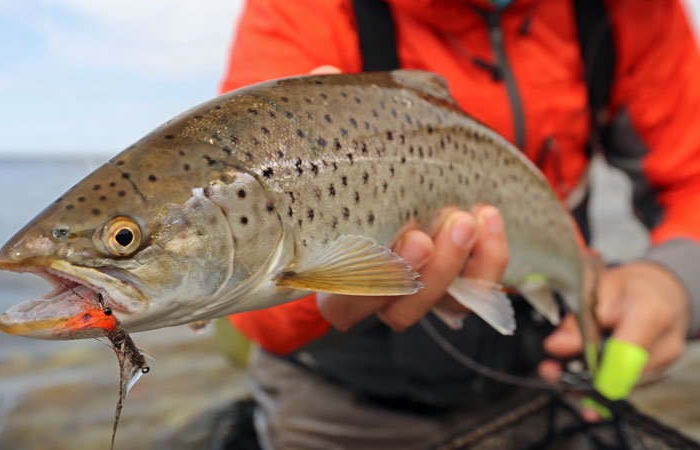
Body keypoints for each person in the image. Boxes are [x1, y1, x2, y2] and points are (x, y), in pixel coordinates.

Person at [218, 0, 700, 448]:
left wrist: (675, 281)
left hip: (540, 373)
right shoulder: (302, 11)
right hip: (345, 407)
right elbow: (254, 306)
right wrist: (342, 267)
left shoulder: (636, 10)